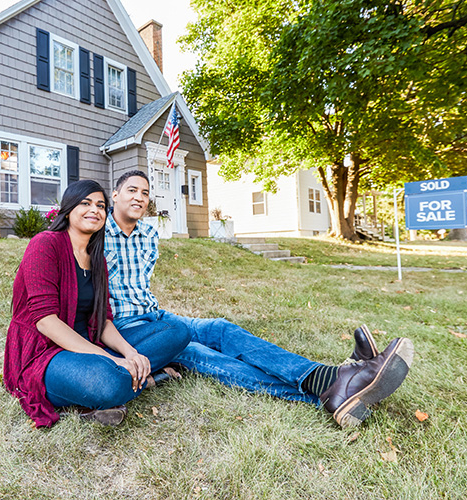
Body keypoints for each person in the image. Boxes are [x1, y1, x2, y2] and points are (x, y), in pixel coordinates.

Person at [104, 170, 414, 428]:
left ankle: (328, 379)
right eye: (131, 190)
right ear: (114, 195)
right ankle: (327, 391)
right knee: (198, 352)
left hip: (157, 316)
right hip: (126, 328)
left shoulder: (148, 234)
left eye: (144, 193)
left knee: (220, 329)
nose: (139, 197)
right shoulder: (97, 232)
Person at [3, 180, 191, 427]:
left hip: (90, 346)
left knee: (178, 331)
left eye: (101, 206)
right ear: (69, 209)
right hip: (45, 354)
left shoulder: (97, 258)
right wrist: (110, 359)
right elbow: (46, 323)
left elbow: (102, 321)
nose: (95, 210)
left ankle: (127, 375)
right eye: (85, 203)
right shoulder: (45, 244)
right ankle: (148, 378)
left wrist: (130, 353)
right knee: (106, 382)